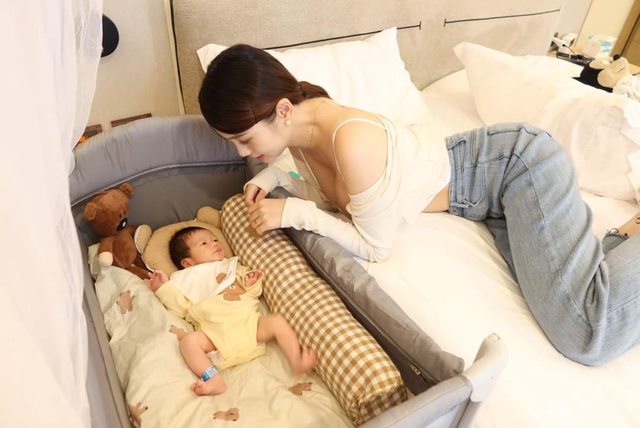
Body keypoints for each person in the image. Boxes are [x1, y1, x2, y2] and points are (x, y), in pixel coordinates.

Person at [197, 44, 640, 366]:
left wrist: (294, 213)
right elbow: (305, 174)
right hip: (489, 194)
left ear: (282, 110)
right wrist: (272, 177)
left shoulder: (352, 141)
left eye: (244, 139)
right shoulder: (301, 125)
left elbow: (375, 246)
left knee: (587, 334)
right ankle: (624, 238)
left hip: (516, 168)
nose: (241, 153)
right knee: (568, 291)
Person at [146, 226, 317, 395]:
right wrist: (163, 287)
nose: (214, 243)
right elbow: (180, 308)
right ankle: (213, 379)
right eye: (204, 243)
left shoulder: (232, 267)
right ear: (187, 263)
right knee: (188, 342)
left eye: (215, 239)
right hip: (216, 337)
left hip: (249, 327)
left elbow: (253, 292)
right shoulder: (186, 280)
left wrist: (251, 282)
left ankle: (297, 360)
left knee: (276, 321)